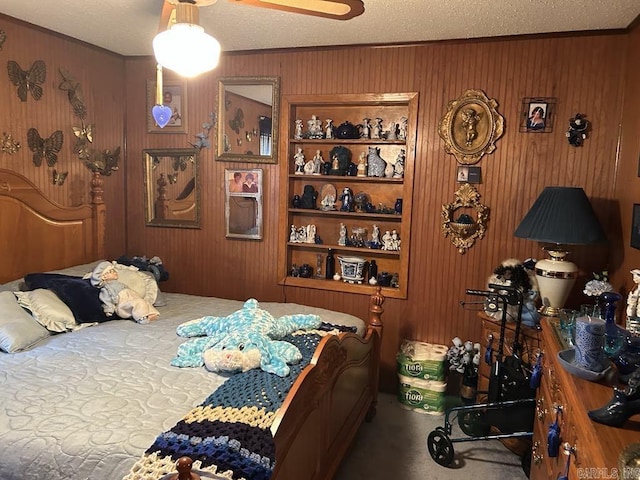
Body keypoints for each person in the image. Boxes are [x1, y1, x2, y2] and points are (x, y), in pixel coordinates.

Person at [90, 261, 159, 324]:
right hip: (122, 305)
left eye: (114, 270)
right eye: (111, 271)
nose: (115, 272)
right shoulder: (107, 288)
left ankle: (151, 314)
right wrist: (109, 309)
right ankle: (141, 318)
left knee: (144, 302)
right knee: (138, 302)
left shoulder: (118, 283)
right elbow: (105, 298)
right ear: (104, 276)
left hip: (130, 300)